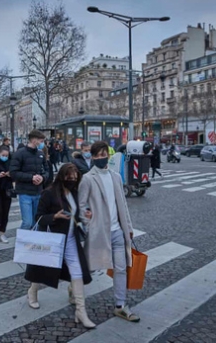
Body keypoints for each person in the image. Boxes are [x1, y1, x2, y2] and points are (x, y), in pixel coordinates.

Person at [24, 163, 95, 329]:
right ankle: (32, 291)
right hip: (52, 239)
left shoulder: (76, 193)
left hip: (71, 239)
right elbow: (39, 217)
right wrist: (54, 216)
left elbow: (78, 213)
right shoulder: (49, 193)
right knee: (41, 270)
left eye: (75, 178)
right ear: (62, 177)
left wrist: (85, 214)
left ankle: (80, 311)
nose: (72, 180)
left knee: (77, 272)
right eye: (69, 178)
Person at [78, 141, 140, 323]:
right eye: (96, 155)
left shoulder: (116, 177)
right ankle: (75, 288)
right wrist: (89, 225)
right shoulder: (88, 179)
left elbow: (123, 205)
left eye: (102, 154)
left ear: (108, 155)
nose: (100, 158)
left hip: (117, 232)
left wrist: (127, 228)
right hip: (98, 233)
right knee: (89, 268)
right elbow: (81, 207)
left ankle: (120, 306)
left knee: (120, 269)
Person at [9, 129, 49, 230]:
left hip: (38, 192)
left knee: (36, 222)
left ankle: (32, 241)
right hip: (25, 192)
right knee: (27, 222)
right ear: (34, 140)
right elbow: (13, 173)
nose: (42, 143)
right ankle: (21, 241)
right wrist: (31, 178)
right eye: (41, 141)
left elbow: (47, 170)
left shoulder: (41, 154)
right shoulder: (19, 154)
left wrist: (42, 178)